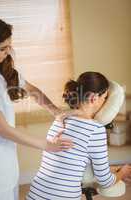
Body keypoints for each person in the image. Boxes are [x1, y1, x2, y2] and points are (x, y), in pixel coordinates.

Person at [0, 18, 73, 200]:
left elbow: (32, 91)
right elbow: (3, 129)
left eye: (9, 46)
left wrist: (56, 112)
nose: (8, 53)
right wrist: (47, 146)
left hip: (7, 162)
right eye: (2, 48)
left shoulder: (2, 73)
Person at [27, 71, 131, 200]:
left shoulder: (60, 119)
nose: (105, 103)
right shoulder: (96, 129)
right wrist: (124, 172)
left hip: (34, 194)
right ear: (93, 98)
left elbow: (70, 163)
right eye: (104, 98)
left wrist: (113, 169)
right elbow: (105, 181)